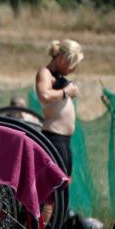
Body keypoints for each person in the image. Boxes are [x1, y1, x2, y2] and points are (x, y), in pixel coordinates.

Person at [36, 39, 83, 176]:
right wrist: (66, 92)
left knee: (65, 182)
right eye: (71, 65)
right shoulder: (45, 72)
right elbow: (44, 95)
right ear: (62, 59)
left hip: (64, 140)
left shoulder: (58, 77)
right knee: (57, 183)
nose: (73, 69)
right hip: (54, 138)